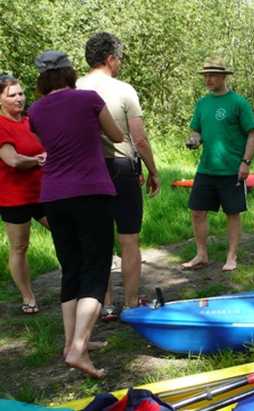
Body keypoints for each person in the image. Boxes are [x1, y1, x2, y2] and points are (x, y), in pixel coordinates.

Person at [28, 50, 125, 379]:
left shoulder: (35, 110)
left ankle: (71, 341)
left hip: (54, 196)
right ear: (70, 73)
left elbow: (51, 141)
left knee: (71, 268)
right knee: (96, 268)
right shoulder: (88, 99)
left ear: (41, 80)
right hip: (91, 191)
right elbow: (117, 136)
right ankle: (78, 347)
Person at [77, 32, 161, 320]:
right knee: (128, 239)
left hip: (87, 172)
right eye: (120, 58)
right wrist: (153, 170)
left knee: (98, 239)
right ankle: (131, 303)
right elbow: (139, 139)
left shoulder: (73, 88)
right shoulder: (123, 90)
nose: (121, 63)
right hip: (122, 168)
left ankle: (108, 305)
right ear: (111, 59)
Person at [182, 57, 254, 272]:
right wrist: (194, 139)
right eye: (206, 75)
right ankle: (201, 254)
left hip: (232, 169)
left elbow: (253, 134)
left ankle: (231, 257)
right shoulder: (203, 103)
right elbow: (196, 130)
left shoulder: (238, 103)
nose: (208, 79)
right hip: (207, 168)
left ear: (224, 77)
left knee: (232, 213)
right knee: (197, 211)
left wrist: (245, 162)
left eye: (212, 75)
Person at [0, 74, 47, 315]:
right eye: (12, 95)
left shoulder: (31, 120)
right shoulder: (1, 125)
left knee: (65, 229)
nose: (19, 98)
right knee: (19, 246)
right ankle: (28, 297)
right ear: (0, 100)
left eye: (21, 93)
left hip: (43, 192)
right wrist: (37, 161)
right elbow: (12, 160)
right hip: (14, 196)